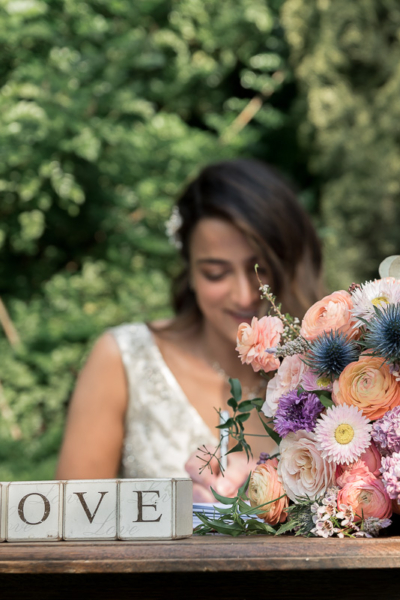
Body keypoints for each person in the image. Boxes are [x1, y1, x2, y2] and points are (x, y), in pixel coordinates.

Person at [56, 159, 323, 501]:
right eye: (215, 273)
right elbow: (70, 526)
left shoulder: (331, 374)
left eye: (261, 270)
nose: (243, 295)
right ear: (191, 273)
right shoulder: (123, 359)